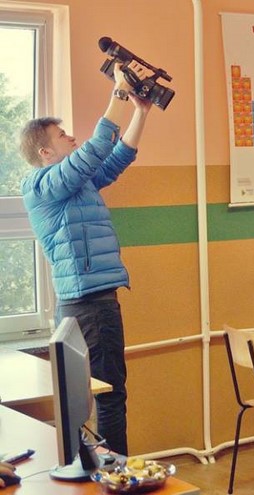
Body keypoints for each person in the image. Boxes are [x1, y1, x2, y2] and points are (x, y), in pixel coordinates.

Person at [18, 64, 152, 456]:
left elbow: (116, 158)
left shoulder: (74, 184)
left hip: (86, 303)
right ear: (45, 152)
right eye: (63, 136)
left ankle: (93, 470)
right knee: (109, 395)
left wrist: (140, 111)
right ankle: (117, 473)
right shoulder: (43, 185)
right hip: (90, 304)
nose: (72, 138)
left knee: (96, 393)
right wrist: (119, 93)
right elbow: (93, 151)